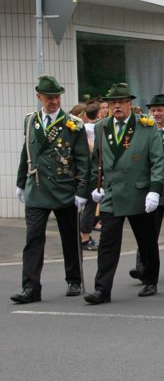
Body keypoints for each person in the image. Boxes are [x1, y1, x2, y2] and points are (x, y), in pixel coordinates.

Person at [12, 75, 91, 304]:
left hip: (64, 188)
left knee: (70, 237)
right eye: (49, 97)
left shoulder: (73, 124)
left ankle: (74, 279)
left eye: (57, 97)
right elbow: (26, 152)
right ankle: (30, 287)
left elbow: (82, 159)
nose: (54, 101)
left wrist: (82, 190)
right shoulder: (30, 120)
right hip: (37, 189)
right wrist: (20, 182)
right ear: (39, 97)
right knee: (33, 239)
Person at [84, 84, 164, 304]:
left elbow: (157, 161)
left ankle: (150, 279)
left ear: (130, 103)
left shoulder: (146, 127)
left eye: (121, 102)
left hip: (139, 192)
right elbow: (96, 160)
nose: (117, 106)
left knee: (146, 241)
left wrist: (154, 190)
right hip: (112, 193)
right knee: (107, 243)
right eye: (113, 103)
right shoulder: (101, 127)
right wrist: (95, 185)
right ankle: (102, 289)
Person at [129, 94, 164, 280]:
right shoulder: (145, 132)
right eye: (153, 110)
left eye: (160, 110)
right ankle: (143, 266)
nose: (156, 114)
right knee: (146, 231)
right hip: (152, 189)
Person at [79, 101, 100, 251]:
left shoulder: (83, 128)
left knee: (90, 205)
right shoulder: (93, 129)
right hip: (90, 170)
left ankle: (84, 235)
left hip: (87, 171)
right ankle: (84, 237)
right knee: (90, 206)